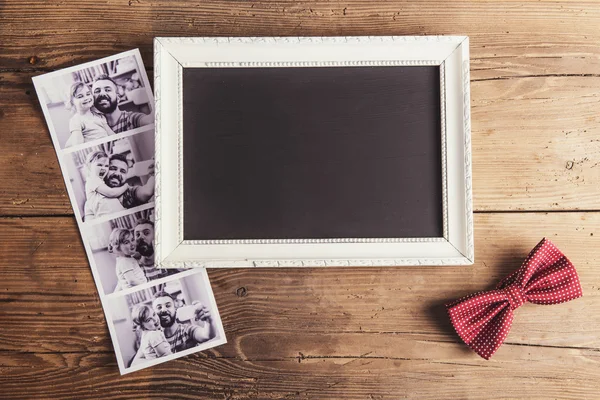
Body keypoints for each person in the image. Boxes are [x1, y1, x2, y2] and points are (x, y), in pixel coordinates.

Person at [130, 291, 216, 366]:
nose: (164, 310)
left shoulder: (187, 330)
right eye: (159, 307)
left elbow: (207, 335)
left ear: (175, 309)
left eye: (168, 305)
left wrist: (208, 321)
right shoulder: (151, 337)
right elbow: (134, 364)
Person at [83, 153, 155, 220]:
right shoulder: (91, 199)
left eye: (123, 171)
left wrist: (155, 174)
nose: (117, 174)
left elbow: (147, 191)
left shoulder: (129, 192)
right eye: (113, 168)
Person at [64, 82, 116, 147]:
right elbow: (78, 145)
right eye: (80, 96)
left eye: (88, 94)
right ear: (72, 102)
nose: (86, 98)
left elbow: (112, 135)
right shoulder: (76, 120)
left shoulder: (99, 116)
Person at [83, 151, 130, 217]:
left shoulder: (100, 181)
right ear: (89, 166)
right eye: (99, 165)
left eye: (107, 166)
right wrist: (126, 186)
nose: (103, 168)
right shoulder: (92, 180)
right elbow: (111, 193)